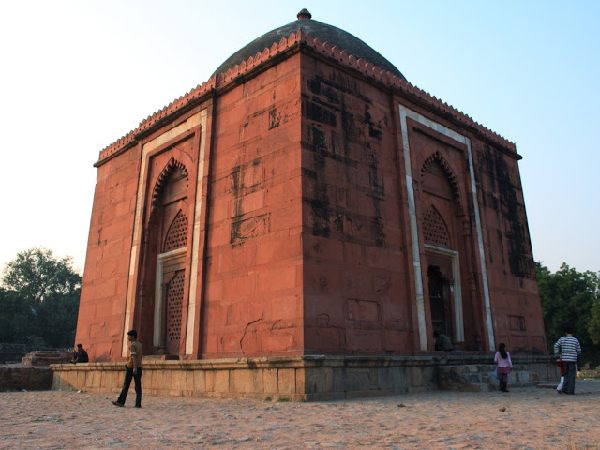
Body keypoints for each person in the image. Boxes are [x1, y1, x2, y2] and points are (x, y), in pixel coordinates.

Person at [112, 329, 142, 408]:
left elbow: (134, 357)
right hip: (139, 367)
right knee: (138, 385)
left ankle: (121, 401)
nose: (128, 338)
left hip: (132, 367)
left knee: (126, 385)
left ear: (132, 337)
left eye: (129, 336)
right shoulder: (139, 344)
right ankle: (138, 403)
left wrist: (134, 368)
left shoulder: (132, 345)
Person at [554, 327, 581, 395]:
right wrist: (576, 355)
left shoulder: (562, 339)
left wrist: (558, 354)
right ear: (573, 333)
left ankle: (564, 389)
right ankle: (570, 391)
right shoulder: (575, 340)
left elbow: (556, 346)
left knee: (565, 374)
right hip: (572, 359)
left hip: (565, 359)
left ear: (566, 333)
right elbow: (579, 350)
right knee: (572, 375)